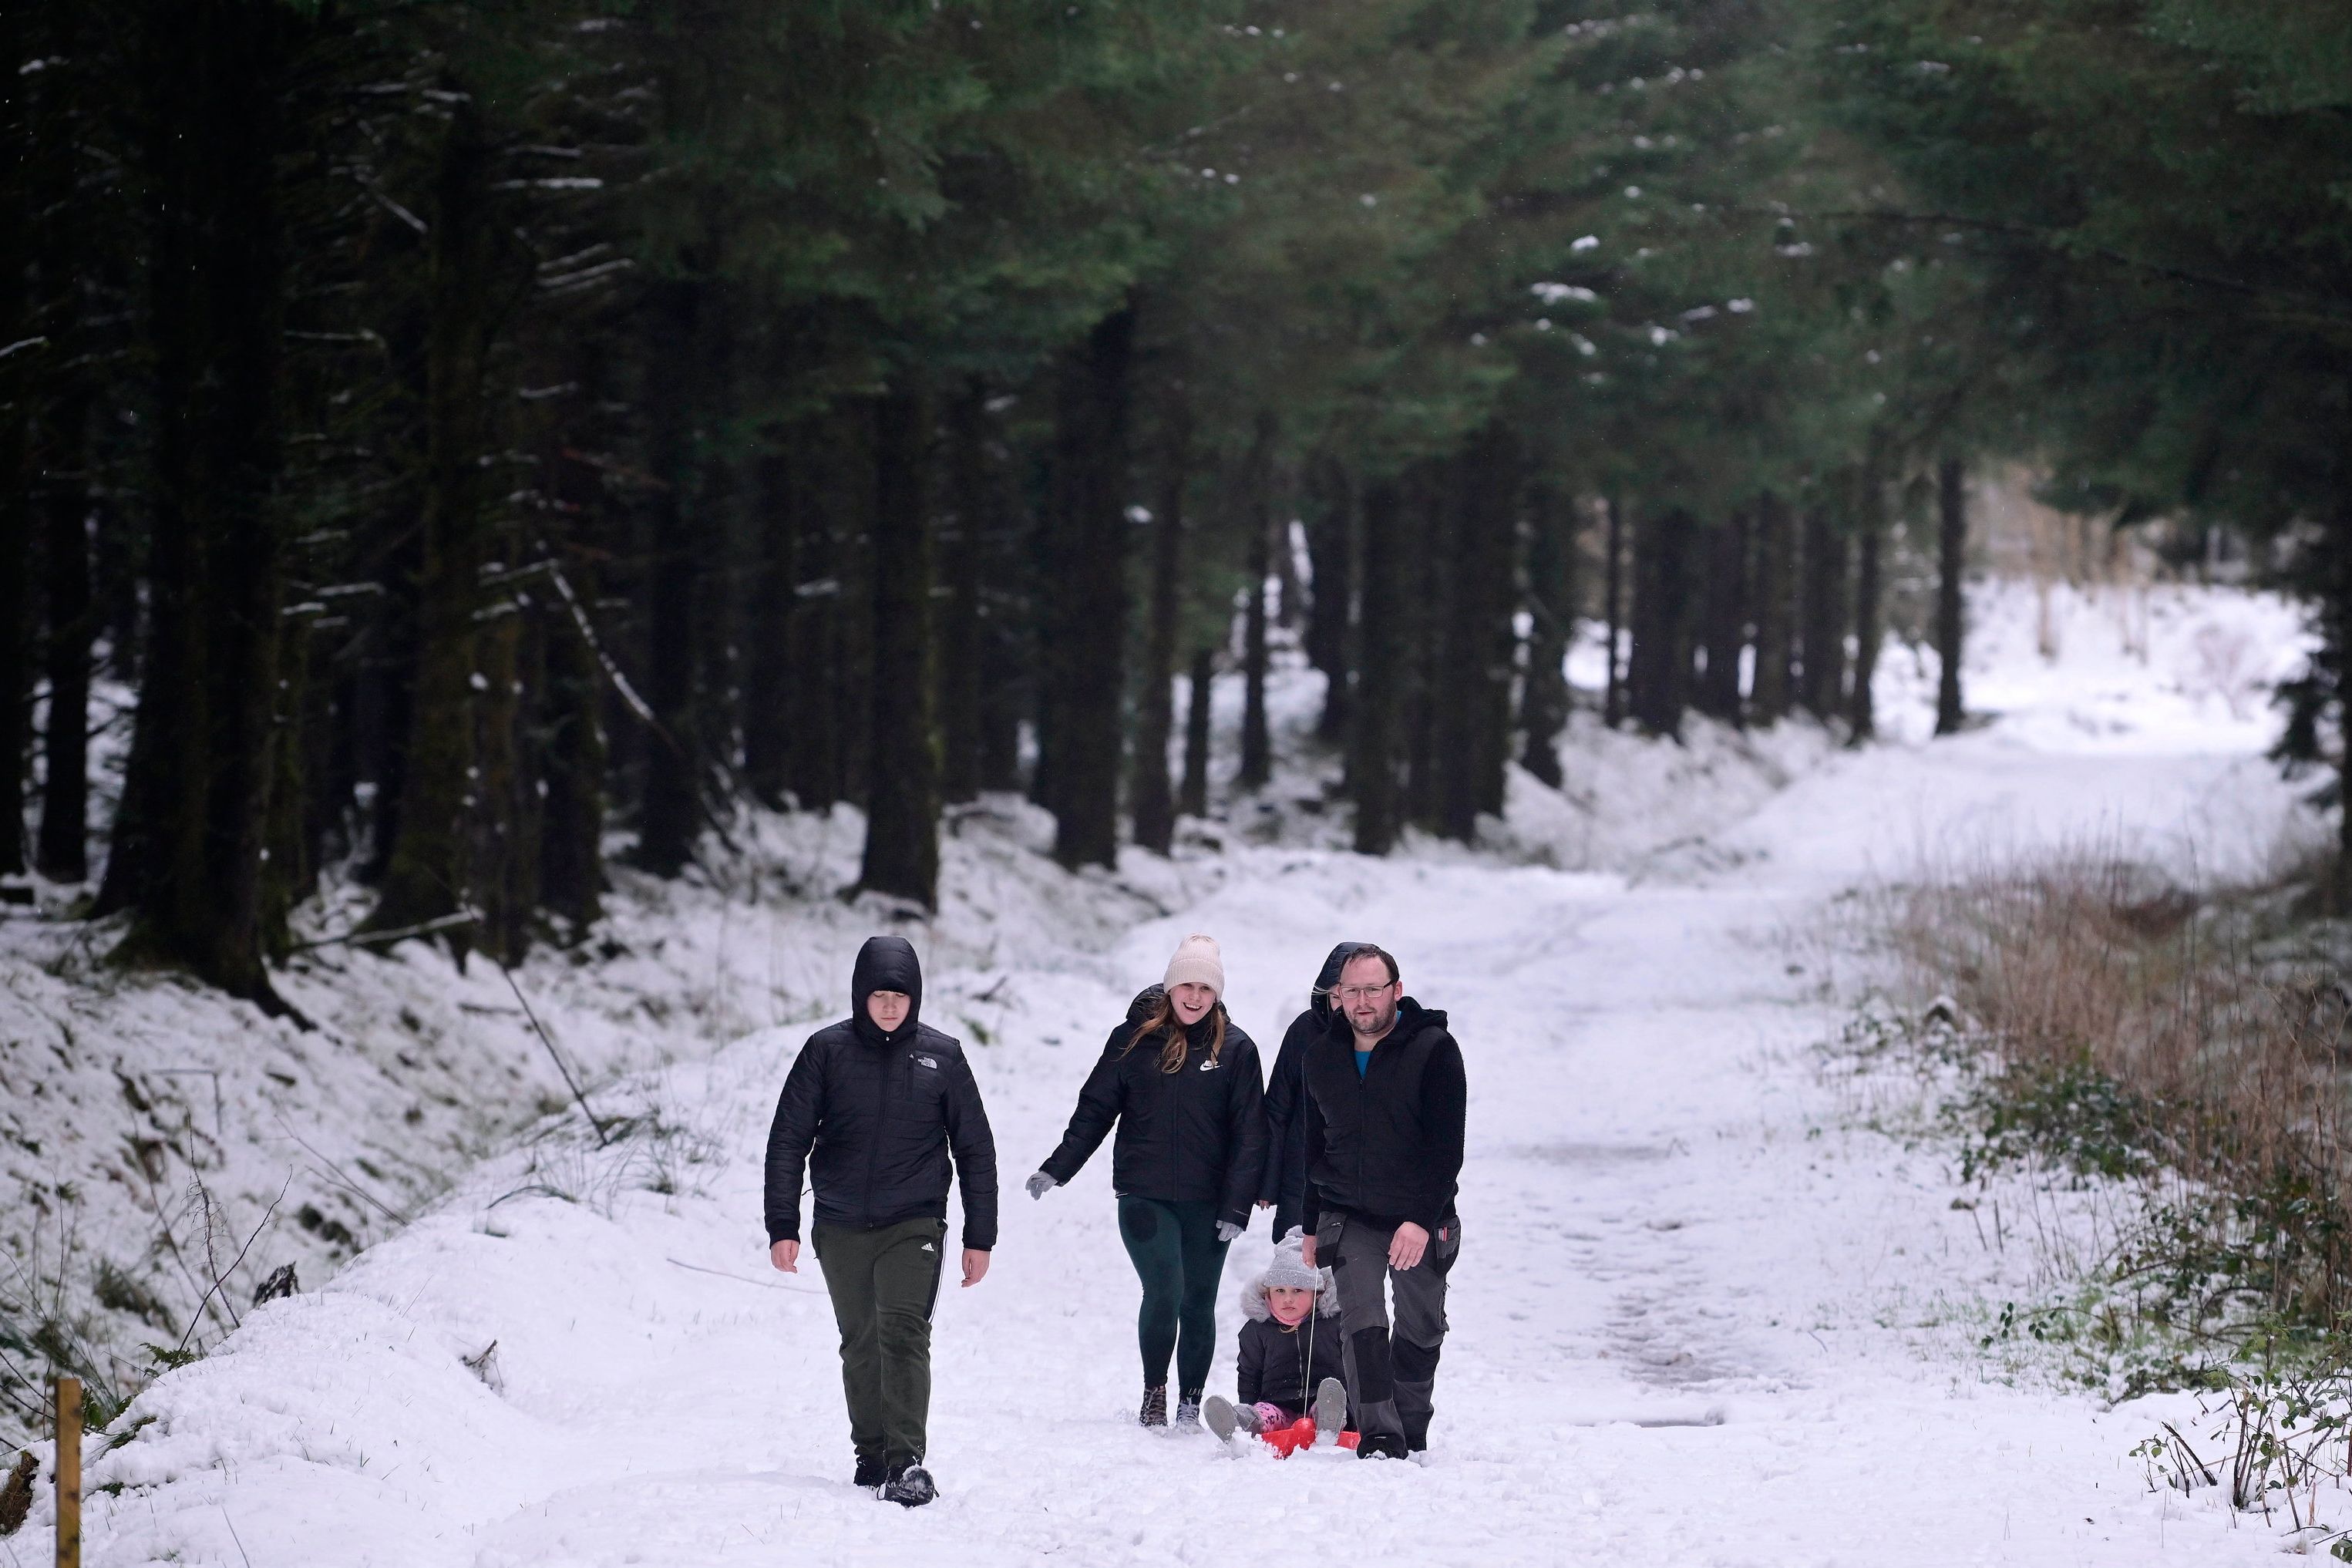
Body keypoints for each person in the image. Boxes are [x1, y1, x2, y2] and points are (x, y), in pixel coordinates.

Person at [764, 936, 998, 1506]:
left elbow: (974, 1150)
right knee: (861, 1341)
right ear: (859, 996)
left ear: (914, 998)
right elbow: (788, 1139)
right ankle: (870, 1453)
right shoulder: (826, 1051)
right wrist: (783, 1225)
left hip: (913, 1222)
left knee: (903, 1333)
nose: (890, 1006)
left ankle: (907, 1463)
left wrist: (979, 1236)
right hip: (840, 1222)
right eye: (879, 995)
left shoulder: (942, 1055)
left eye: (900, 995)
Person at [1028, 934, 1266, 1431]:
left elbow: (1250, 1134)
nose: (1195, 997)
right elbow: (1095, 1109)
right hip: (1145, 1194)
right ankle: (1155, 1391)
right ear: (1170, 987)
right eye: (1186, 986)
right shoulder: (1132, 1040)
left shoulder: (1238, 1050)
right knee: (1165, 1289)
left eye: (1205, 987)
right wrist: (1058, 1167)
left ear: (1217, 993)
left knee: (1199, 1301)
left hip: (1209, 1201)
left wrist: (1236, 1207)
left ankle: (1190, 1401)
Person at [1300, 944, 1465, 1461]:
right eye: (1351, 991)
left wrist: (1419, 1220)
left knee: (1420, 1328)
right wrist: (1309, 1224)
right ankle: (1379, 1435)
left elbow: (1446, 1149)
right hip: (1349, 1215)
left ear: (1396, 991)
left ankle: (1410, 1423)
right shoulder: (1321, 1056)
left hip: (1421, 1215)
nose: (1362, 1001)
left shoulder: (1433, 1049)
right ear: (1336, 996)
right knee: (1362, 1323)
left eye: (1373, 989)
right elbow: (1312, 1145)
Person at [1202, 1233, 1357, 1457]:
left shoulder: (1333, 1325)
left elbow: (1354, 1368)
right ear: (1268, 1294)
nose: (1287, 1299)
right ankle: (1241, 1425)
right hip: (1277, 1405)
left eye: (1298, 1291)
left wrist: (1359, 1413)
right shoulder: (1258, 1330)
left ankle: (1330, 1424)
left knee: (1327, 1403)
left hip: (1321, 1400)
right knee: (1263, 1414)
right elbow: (1249, 1373)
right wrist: (1251, 1404)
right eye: (1280, 1291)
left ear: (1317, 1294)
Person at [1259, 941, 1370, 1244]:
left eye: (1351, 992)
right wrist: (1269, 1182)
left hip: (1365, 1183)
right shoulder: (1304, 1031)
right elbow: (1278, 1107)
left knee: (1353, 1279)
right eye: (1336, 996)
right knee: (1295, 1275)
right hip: (1302, 1179)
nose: (1343, 1004)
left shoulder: (1388, 1037)